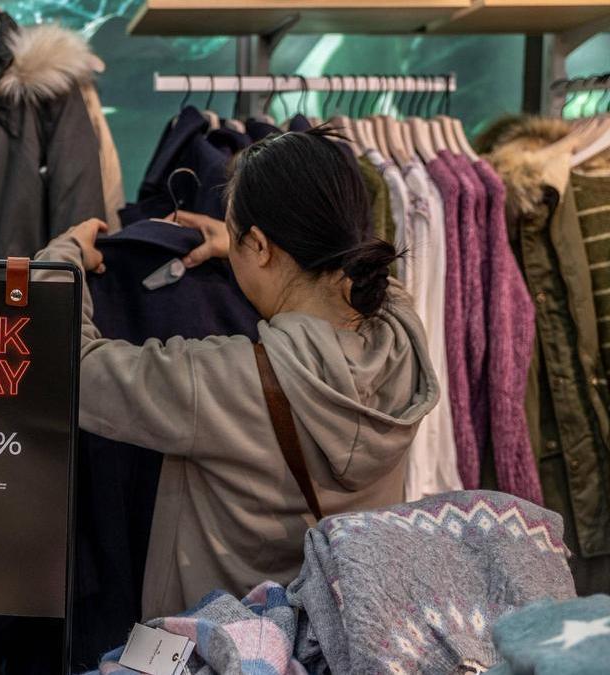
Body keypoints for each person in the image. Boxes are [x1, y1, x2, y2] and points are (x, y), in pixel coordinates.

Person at [38, 127, 440, 618]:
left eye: (237, 234)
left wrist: (59, 262)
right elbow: (370, 279)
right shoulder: (402, 334)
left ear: (262, 245)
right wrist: (246, 246)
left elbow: (68, 368)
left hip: (229, 644)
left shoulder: (225, 380)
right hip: (341, 639)